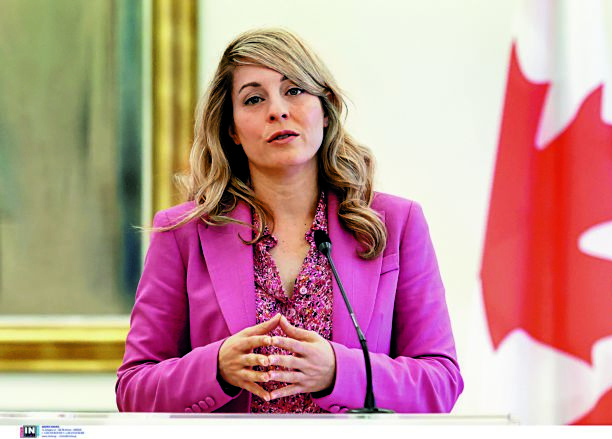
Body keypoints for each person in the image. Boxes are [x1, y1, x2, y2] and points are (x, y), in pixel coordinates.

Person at [116, 28, 463, 414]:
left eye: (294, 90)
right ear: (232, 129)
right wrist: (217, 368)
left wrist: (339, 372)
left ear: (325, 110)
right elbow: (133, 389)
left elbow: (440, 383)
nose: (277, 110)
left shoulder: (396, 224)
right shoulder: (183, 234)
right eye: (253, 99)